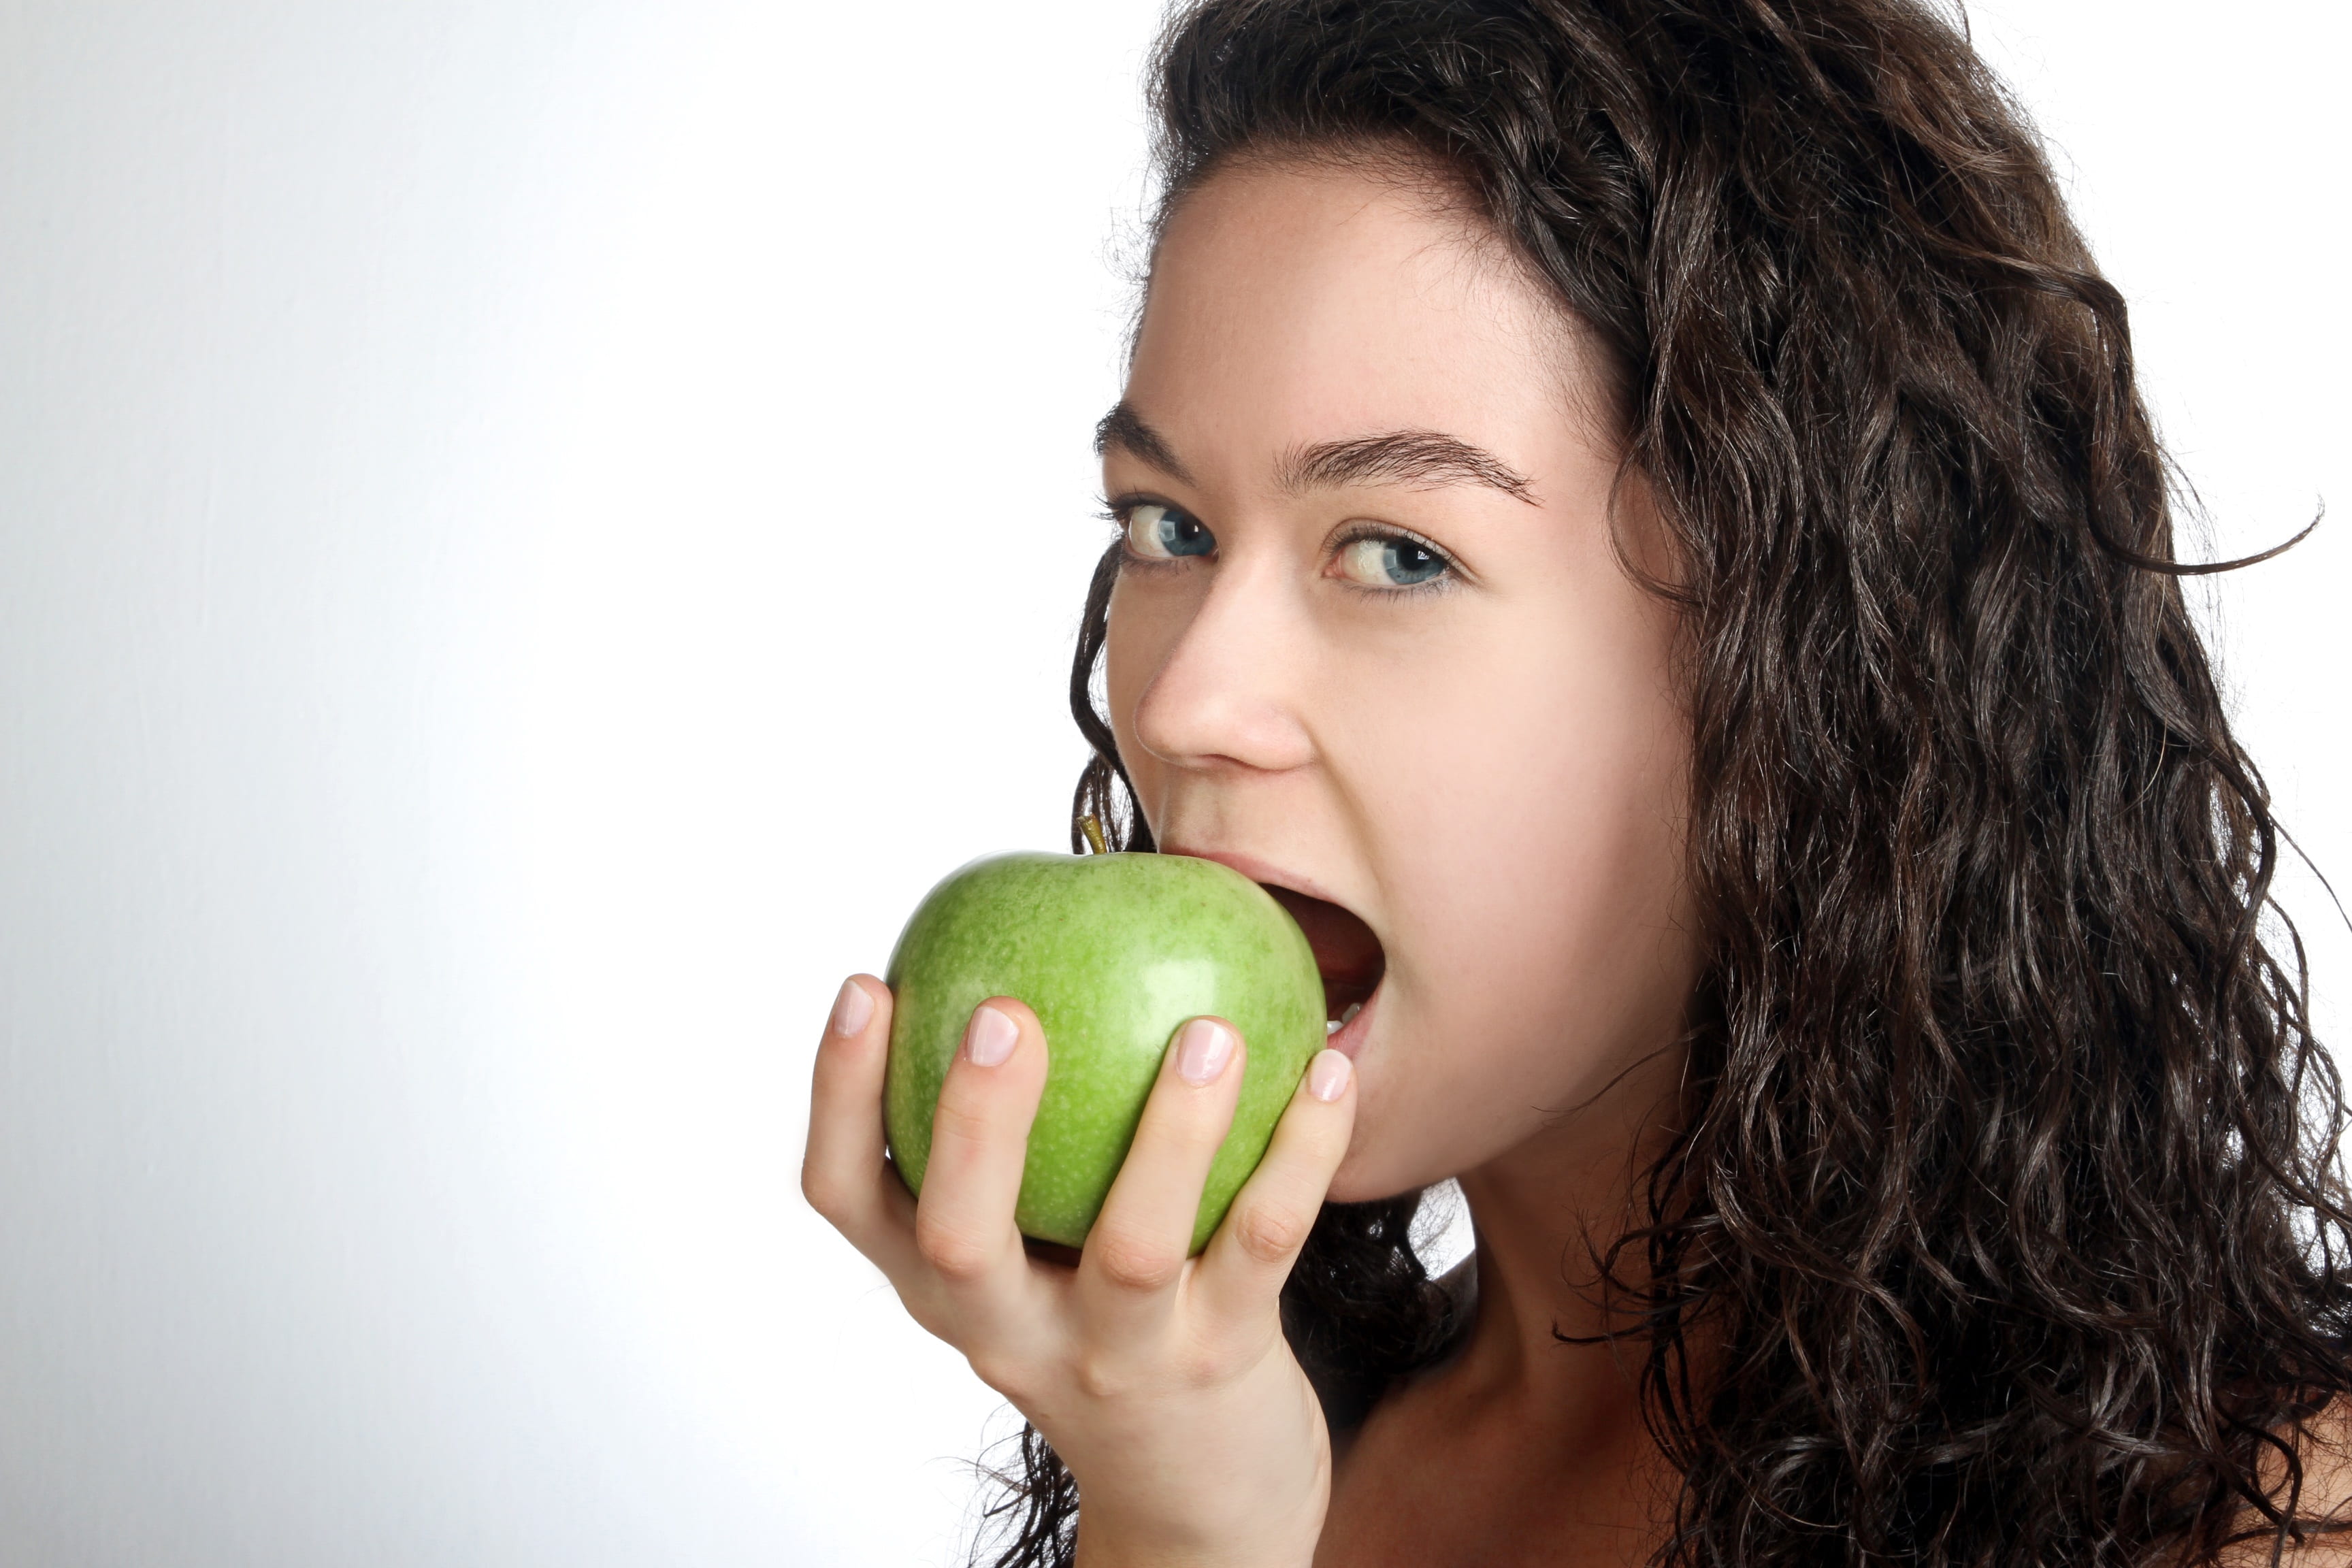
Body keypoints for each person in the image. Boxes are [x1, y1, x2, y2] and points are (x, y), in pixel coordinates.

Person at [801, 1, 2352, 1563]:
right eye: (1167, 530)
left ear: (1821, 671)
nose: (1190, 702)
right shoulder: (1240, 1455)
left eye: (1399, 553)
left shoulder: (2263, 1528)